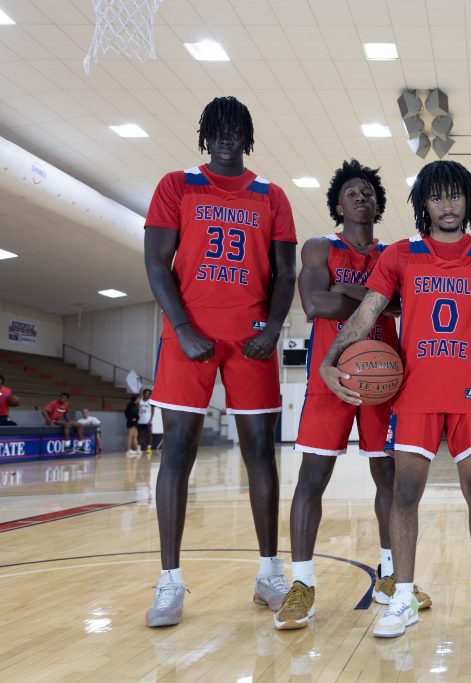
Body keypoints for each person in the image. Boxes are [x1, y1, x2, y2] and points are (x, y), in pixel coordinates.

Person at [320, 160, 471, 639]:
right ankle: (402, 596)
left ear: (468, 200)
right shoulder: (402, 255)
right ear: (422, 203)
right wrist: (329, 358)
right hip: (415, 394)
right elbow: (367, 313)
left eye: (455, 196)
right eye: (437, 196)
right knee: (405, 495)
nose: (447, 205)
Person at [142, 95, 297, 628]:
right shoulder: (176, 185)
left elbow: (285, 274)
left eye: (237, 128)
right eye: (219, 128)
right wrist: (182, 328)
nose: (228, 136)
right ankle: (169, 581)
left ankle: (269, 572)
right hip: (191, 334)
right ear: (206, 134)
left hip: (251, 337)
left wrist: (273, 330)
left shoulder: (270, 195)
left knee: (261, 453)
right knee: (177, 449)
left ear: (248, 136)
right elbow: (156, 264)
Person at [273, 159, 430, 631]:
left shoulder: (397, 253)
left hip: (383, 381)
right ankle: (301, 584)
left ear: (379, 204)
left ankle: (388, 577)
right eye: (351, 193)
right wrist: (374, 296)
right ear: (337, 204)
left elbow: (405, 304)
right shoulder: (319, 246)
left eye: (368, 192)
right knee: (311, 479)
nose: (361, 197)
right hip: (332, 378)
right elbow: (315, 303)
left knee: (390, 481)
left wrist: (348, 289)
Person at [138, 389, 154, 455]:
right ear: (143, 393)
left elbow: (153, 412)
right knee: (139, 435)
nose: (146, 394)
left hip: (148, 421)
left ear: (150, 394)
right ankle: (138, 448)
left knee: (149, 435)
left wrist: (150, 420)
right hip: (140, 421)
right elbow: (137, 409)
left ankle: (149, 448)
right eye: (145, 393)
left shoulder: (150, 401)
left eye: (148, 393)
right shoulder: (140, 401)